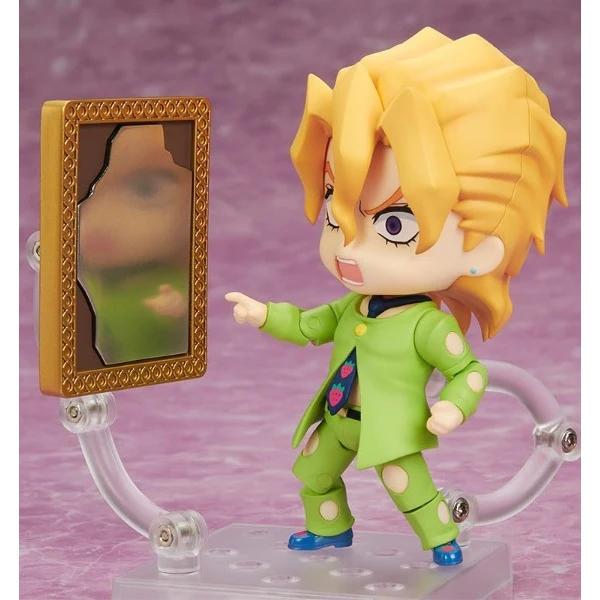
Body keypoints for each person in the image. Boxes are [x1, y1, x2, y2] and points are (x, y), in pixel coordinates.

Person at [226, 27, 567, 566]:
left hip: (392, 432)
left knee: (410, 490)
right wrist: (263, 314)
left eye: (393, 224)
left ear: (483, 249)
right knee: (314, 474)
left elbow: (468, 372)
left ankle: (442, 539)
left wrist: (452, 409)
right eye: (337, 209)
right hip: (337, 421)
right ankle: (329, 529)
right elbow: (309, 325)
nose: (348, 246)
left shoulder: (427, 325)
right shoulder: (352, 307)